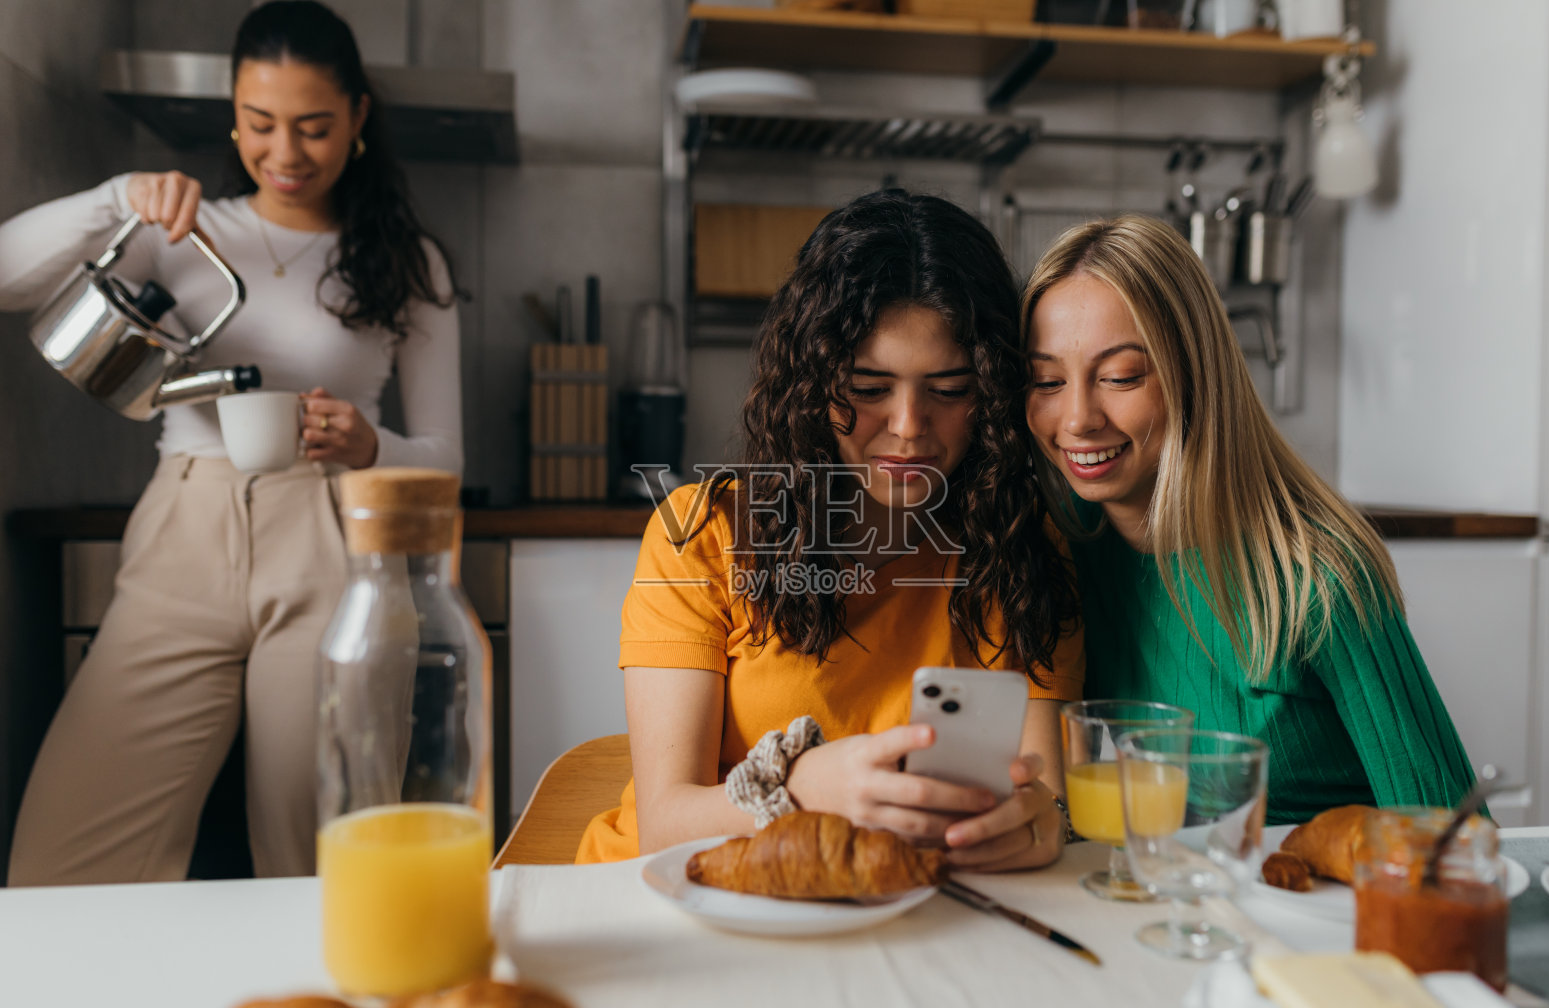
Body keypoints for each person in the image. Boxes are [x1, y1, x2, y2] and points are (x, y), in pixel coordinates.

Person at [0, 0, 462, 884]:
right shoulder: (179, 230)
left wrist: (372, 446)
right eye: (261, 124)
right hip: (185, 531)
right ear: (233, 115)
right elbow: (5, 275)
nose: (286, 154)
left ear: (358, 118)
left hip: (333, 536)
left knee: (324, 855)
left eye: (315, 127)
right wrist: (114, 201)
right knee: (64, 857)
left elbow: (445, 458)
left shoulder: (410, 263)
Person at [576, 190, 1083, 869]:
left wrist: (1035, 826)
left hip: (885, 908)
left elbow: (1043, 798)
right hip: (675, 897)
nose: (908, 425)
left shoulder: (1017, 548)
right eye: (870, 388)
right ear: (812, 384)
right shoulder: (703, 534)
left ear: (990, 392)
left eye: (949, 388)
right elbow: (664, 823)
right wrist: (799, 788)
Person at [1022, 214, 1476, 825]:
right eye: (1046, 380)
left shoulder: (1317, 571)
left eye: (1120, 377)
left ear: (1193, 372)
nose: (1076, 417)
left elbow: (1450, 830)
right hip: (1150, 904)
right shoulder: (1060, 548)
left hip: (1313, 908)